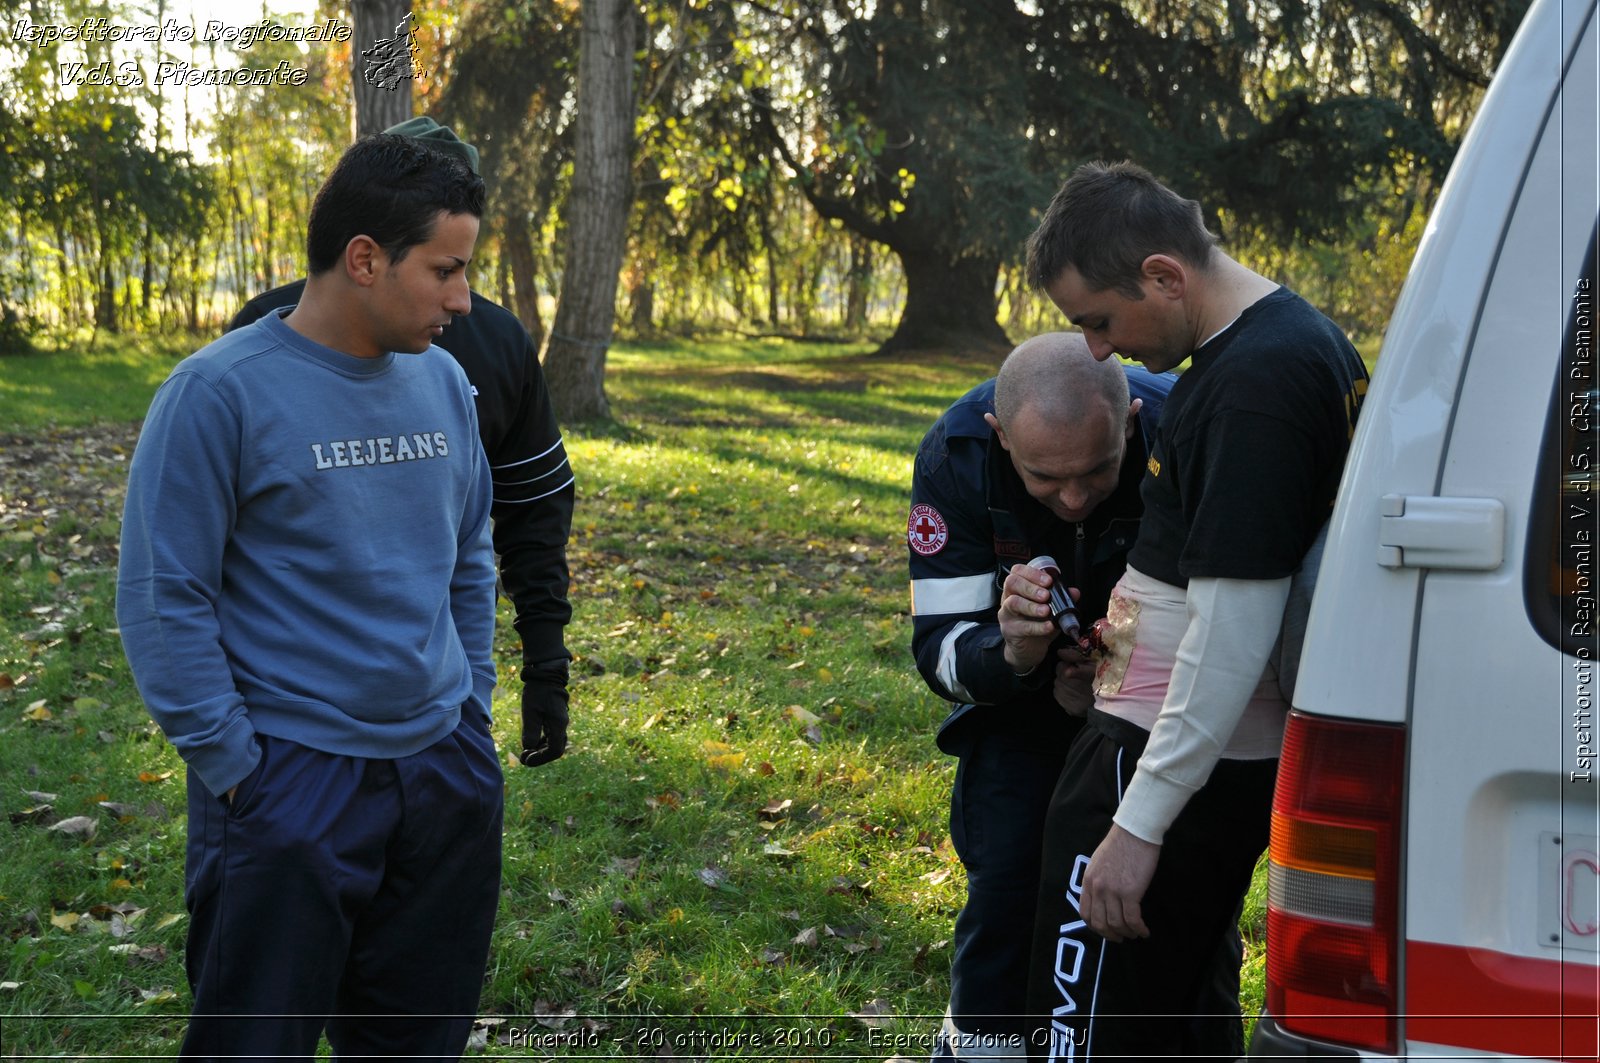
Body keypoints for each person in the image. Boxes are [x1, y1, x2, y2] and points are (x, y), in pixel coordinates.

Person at [117, 134, 500, 1059]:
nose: (464, 298)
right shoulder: (217, 394)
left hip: (441, 777)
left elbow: (469, 556)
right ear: (364, 258)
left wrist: (471, 713)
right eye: (446, 269)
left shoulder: (444, 381)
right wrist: (240, 770)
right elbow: (164, 597)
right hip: (288, 784)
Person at [1021, 161, 1368, 1060]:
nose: (1097, 349)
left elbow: (1234, 626)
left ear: (1164, 276)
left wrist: (1136, 825)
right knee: (1175, 1008)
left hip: (1162, 763)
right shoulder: (1292, 344)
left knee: (1089, 1031)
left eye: (1099, 320)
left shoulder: (1254, 382)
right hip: (1186, 754)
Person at [910, 332, 1223, 1060]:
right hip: (1019, 717)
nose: (1075, 499)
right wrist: (1011, 653)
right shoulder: (957, 456)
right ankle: (983, 1049)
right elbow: (938, 650)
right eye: (1045, 479)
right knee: (1009, 885)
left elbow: (1239, 626)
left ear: (1133, 426)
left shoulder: (1192, 429)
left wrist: (1125, 681)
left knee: (1180, 906)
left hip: (1165, 721)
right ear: (1000, 437)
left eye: (1099, 470)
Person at [229, 116, 576, 772]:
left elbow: (525, 518)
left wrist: (525, 680)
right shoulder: (256, 345)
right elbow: (181, 573)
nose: (458, 299)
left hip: (439, 736)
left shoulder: (489, 346)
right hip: (289, 745)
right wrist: (233, 751)